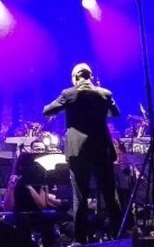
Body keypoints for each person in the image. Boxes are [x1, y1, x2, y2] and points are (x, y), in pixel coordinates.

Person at [43, 63, 122, 245]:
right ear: (90, 76)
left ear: (76, 77)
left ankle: (80, 240)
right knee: (110, 195)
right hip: (102, 150)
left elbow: (47, 110)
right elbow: (115, 114)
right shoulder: (105, 94)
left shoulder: (69, 94)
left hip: (78, 152)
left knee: (80, 196)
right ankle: (120, 235)